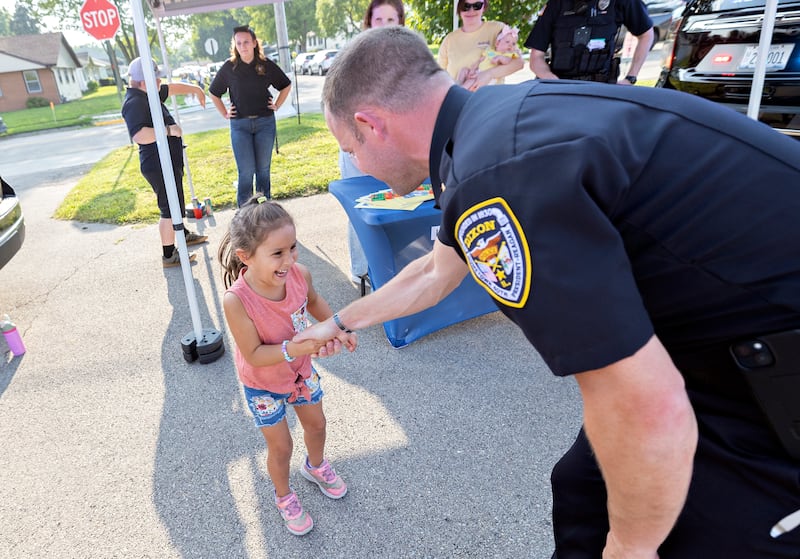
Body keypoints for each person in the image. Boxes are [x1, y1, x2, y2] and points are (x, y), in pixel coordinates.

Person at [300, 26, 800, 557]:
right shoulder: (490, 126)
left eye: (349, 148)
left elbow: (643, 401)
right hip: (720, 339)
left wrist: (631, 547)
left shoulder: (494, 174)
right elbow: (434, 273)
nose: (356, 164)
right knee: (583, 486)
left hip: (766, 367)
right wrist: (339, 323)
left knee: (684, 533)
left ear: (369, 125)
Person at [218, 194, 355, 536]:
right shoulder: (237, 301)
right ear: (245, 257)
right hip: (263, 384)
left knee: (317, 424)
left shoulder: (300, 274)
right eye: (277, 253)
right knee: (281, 447)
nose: (289, 259)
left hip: (301, 372)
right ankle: (284, 496)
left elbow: (314, 302)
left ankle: (316, 465)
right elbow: (253, 354)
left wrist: (339, 326)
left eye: (292, 247)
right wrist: (295, 348)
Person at [340, 0, 407, 286]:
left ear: (400, 23)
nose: (384, 26)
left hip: (392, 146)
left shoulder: (407, 57)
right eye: (378, 20)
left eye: (391, 20)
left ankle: (392, 268)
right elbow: (337, 103)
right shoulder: (353, 56)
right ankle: (362, 270)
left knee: (393, 205)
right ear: (369, 22)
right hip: (358, 144)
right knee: (361, 207)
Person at [121, 57, 208, 268]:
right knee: (169, 209)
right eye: (156, 78)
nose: (160, 82)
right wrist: (169, 131)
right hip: (157, 164)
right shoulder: (135, 102)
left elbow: (171, 88)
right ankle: (169, 255)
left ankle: (182, 233)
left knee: (176, 201)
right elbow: (140, 135)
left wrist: (196, 89)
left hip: (167, 160)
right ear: (143, 81)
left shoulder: (148, 93)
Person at [209, 25, 292, 207]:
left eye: (246, 42)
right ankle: (245, 214)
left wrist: (277, 104)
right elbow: (214, 92)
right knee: (246, 172)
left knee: (263, 170)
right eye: (238, 43)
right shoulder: (229, 68)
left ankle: (263, 211)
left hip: (265, 123)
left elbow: (286, 85)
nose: (243, 46)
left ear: (254, 43)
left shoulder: (265, 65)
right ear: (235, 46)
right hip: (240, 126)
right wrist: (224, 112)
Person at [525, 0, 654, 84]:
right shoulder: (557, 4)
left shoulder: (621, 3)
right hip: (561, 89)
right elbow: (536, 57)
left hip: (602, 90)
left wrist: (630, 78)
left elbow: (646, 34)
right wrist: (552, 80)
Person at [438, 0, 524, 91]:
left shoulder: (498, 29)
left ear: (484, 7)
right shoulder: (449, 39)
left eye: (477, 5)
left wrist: (489, 74)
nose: (471, 11)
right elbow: (440, 76)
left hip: (489, 101)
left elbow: (518, 63)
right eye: (465, 6)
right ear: (459, 8)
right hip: (459, 102)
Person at [456, 24, 522, 90]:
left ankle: (460, 91)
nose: (510, 45)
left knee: (471, 81)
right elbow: (480, 61)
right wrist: (472, 70)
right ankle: (458, 84)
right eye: (507, 42)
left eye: (513, 44)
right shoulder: (489, 52)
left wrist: (500, 58)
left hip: (489, 79)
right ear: (497, 43)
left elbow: (507, 61)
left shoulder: (507, 55)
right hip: (478, 71)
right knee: (464, 70)